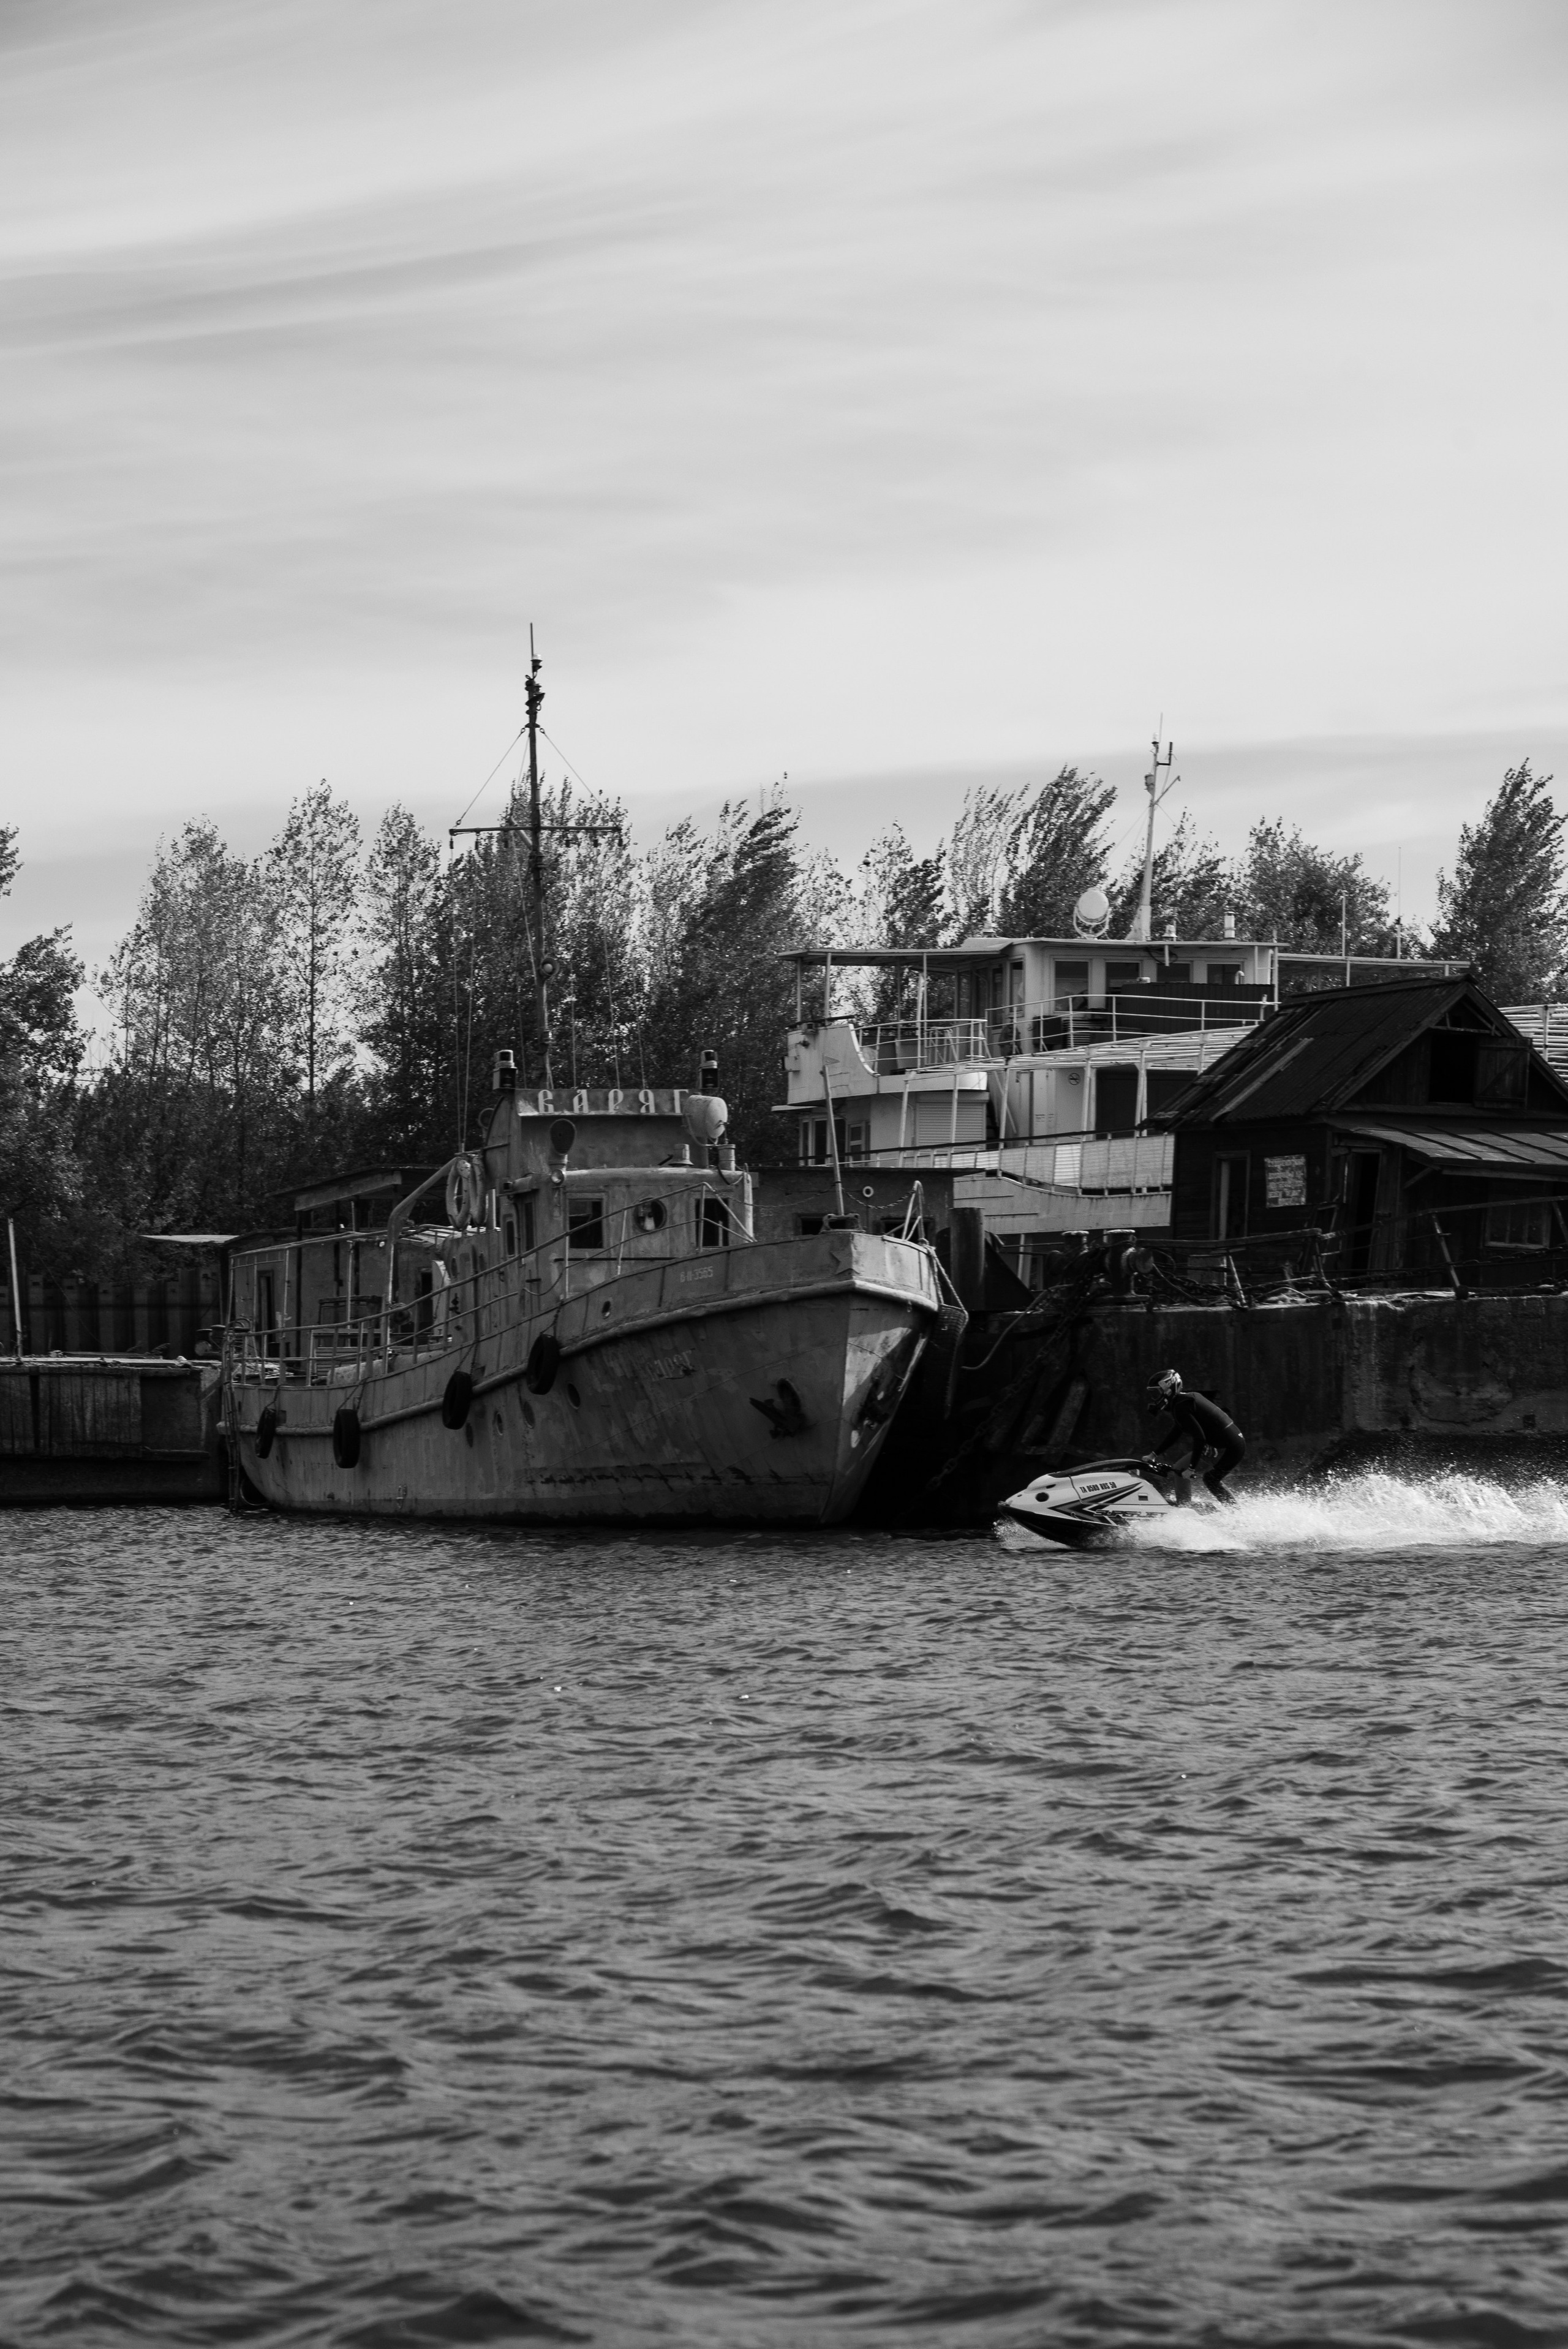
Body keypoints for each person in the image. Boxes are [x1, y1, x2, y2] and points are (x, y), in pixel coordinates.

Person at [1144, 1368, 1246, 1503]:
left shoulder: (1181, 1406)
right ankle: (1185, 1504)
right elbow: (1176, 1432)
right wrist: (1154, 1454)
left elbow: (1200, 1438)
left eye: (1157, 1392)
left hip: (1232, 1447)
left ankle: (1234, 1513)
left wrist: (1192, 1468)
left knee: (1210, 1479)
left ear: (1169, 1389)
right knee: (1180, 1469)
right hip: (1221, 1444)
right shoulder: (1182, 1402)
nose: (1156, 1398)